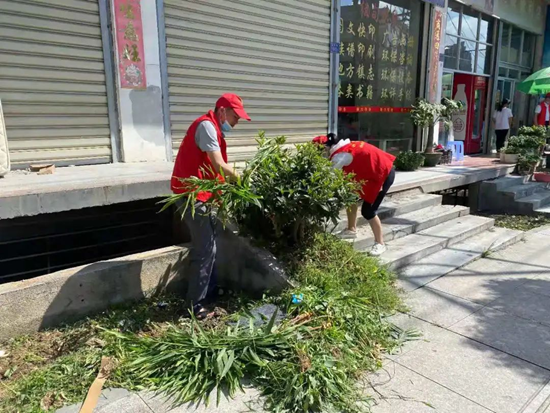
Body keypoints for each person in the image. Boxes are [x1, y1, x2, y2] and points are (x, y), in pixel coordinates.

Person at [171, 93, 251, 318]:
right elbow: (218, 164)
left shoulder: (214, 129)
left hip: (202, 195)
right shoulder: (206, 126)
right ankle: (194, 306)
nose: (236, 123)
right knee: (205, 249)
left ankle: (209, 292)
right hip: (191, 195)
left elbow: (210, 168)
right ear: (222, 111)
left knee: (211, 246)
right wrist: (243, 180)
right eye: (235, 117)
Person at [313, 134, 396, 256]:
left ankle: (380, 243)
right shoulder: (345, 146)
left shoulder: (339, 156)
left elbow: (329, 179)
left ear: (325, 148)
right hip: (374, 173)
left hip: (383, 174)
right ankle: (351, 230)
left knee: (368, 211)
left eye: (319, 151)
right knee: (350, 196)